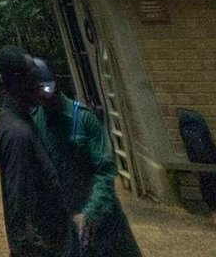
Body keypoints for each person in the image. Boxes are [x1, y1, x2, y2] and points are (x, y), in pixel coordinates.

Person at [31, 57, 141, 256]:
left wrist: (91, 214)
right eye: (37, 93)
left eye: (46, 90)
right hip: (68, 220)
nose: (44, 97)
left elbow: (105, 171)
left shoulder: (82, 118)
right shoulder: (36, 122)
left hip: (104, 217)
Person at [0, 45, 78, 257]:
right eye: (33, 75)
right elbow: (18, 204)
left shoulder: (16, 119)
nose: (39, 82)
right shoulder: (18, 136)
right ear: (17, 79)